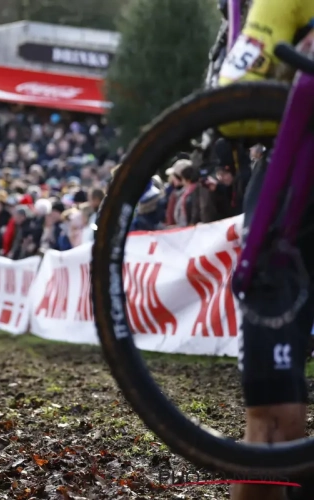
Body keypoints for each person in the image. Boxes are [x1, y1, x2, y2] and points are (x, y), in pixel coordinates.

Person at [217, 2, 314, 499]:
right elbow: (231, 111)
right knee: (276, 419)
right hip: (294, 193)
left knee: (276, 422)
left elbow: (230, 109)